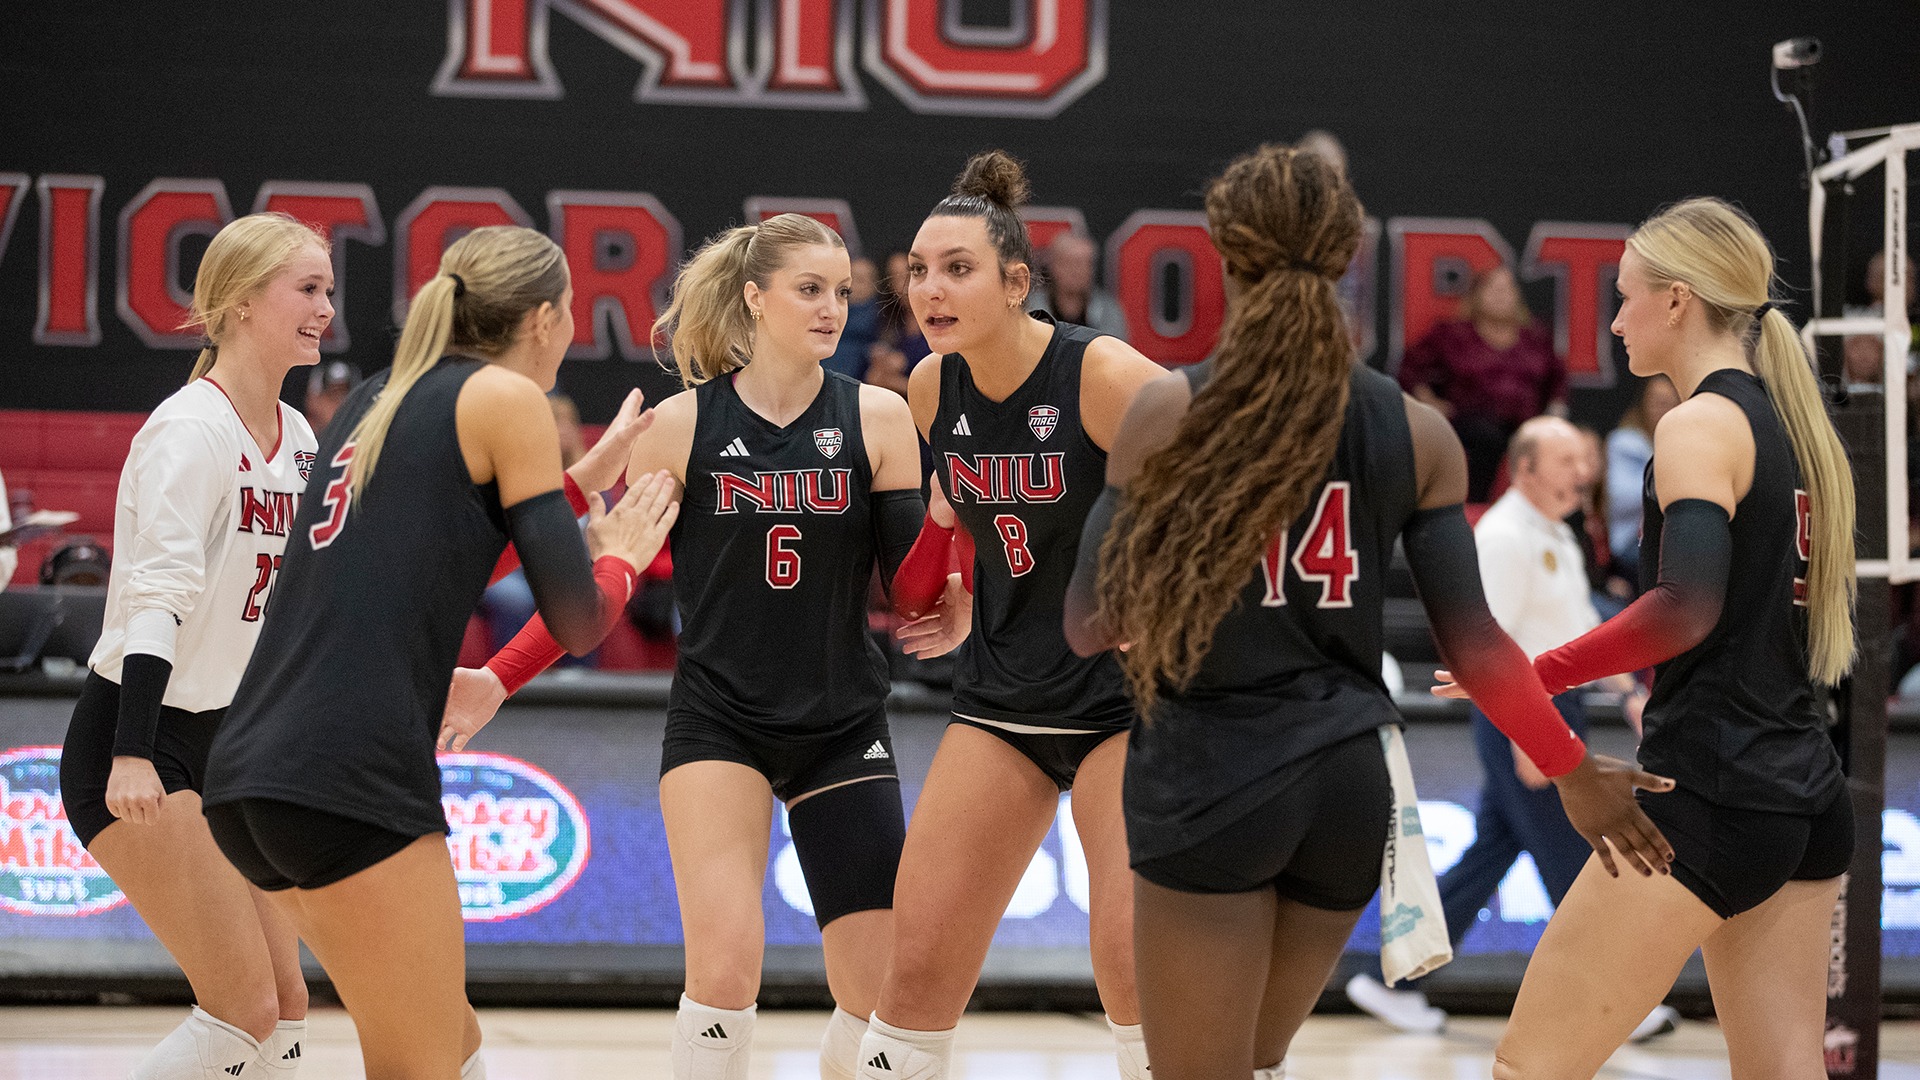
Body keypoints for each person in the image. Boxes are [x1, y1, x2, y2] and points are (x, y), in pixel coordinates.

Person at [1060, 144, 1672, 1080]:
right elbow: (1475, 645)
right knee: (1255, 1062)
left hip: (1212, 771)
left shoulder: (1165, 414)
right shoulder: (1416, 430)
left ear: (1226, 253)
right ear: (1348, 256)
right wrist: (1573, 766)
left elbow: (1088, 622)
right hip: (1348, 788)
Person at [437, 213, 935, 1080]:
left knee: (881, 989)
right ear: (754, 296)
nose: (829, 310)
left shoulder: (880, 418)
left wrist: (957, 552)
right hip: (720, 723)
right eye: (808, 289)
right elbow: (606, 581)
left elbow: (913, 589)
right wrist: (498, 678)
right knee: (724, 969)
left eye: (841, 294)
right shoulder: (677, 425)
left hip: (843, 719)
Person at [200, 224, 678, 1080]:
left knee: (450, 1044)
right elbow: (577, 620)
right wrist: (621, 557)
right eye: (569, 313)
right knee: (422, 1065)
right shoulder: (507, 399)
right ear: (543, 319)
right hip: (347, 776)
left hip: (253, 774)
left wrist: (576, 482)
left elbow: (440, 540)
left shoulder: (383, 392)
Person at [1453, 197, 1858, 1079]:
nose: (1613, 318)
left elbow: (1685, 608)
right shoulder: (1795, 427)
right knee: (1783, 1071)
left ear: (1677, 300)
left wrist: (1537, 668)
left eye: (1626, 295)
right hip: (1804, 791)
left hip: (1709, 788)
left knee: (1530, 1067)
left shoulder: (1698, 424)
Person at [851, 151, 1170, 1080]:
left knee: (1130, 966)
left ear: (1018, 283)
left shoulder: (1100, 372)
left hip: (1129, 705)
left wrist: (1161, 591)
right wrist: (959, 592)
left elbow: (1218, 480)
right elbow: (974, 522)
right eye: (918, 270)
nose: (931, 290)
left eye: (958, 269)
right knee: (914, 974)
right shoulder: (928, 390)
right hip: (1003, 696)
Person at [57, 212, 332, 1080]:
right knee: (241, 1008)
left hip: (236, 746)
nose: (327, 308)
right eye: (308, 289)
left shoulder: (301, 439)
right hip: (143, 737)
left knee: (288, 1007)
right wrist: (134, 753)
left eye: (329, 289)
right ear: (243, 303)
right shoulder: (189, 429)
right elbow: (155, 602)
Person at [1345, 416, 1670, 1041]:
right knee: (1574, 859)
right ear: (1524, 468)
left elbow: (1576, 629)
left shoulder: (1557, 535)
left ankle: (1390, 979)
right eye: (1567, 460)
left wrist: (1629, 691)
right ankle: (1615, 1002)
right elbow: (1486, 650)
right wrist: (1529, 734)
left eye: (1584, 459)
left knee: (1493, 852)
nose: (1583, 474)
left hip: (1548, 712)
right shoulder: (1500, 538)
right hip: (1523, 718)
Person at [1397, 265, 1567, 501]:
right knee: (1487, 438)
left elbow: (1558, 380)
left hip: (1525, 424)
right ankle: (1476, 504)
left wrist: (1556, 416)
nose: (1500, 295)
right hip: (1470, 423)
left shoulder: (1535, 337)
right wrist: (1430, 403)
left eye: (1507, 289)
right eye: (1493, 288)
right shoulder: (1453, 334)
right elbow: (1410, 369)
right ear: (1476, 295)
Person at [1605, 375, 1680, 586]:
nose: (1661, 409)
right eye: (1657, 402)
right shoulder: (1626, 442)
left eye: (1668, 403)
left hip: (1667, 538)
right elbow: (1620, 497)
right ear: (1644, 403)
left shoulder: (1682, 440)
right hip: (1629, 543)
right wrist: (1672, 480)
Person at [1026, 233, 1129, 342]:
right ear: (1053, 265)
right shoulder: (1030, 310)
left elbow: (1116, 354)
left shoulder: (1108, 313)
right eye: (1069, 262)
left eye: (1084, 264)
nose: (1076, 271)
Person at [825, 256, 883, 380]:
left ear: (874, 284)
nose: (852, 286)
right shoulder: (830, 308)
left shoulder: (882, 315)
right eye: (849, 280)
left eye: (861, 280)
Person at [302, 359, 360, 437]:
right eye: (333, 388)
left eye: (341, 388)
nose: (337, 392)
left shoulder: (352, 404)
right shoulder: (319, 402)